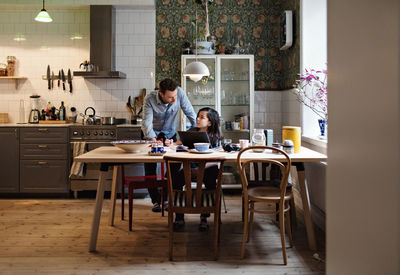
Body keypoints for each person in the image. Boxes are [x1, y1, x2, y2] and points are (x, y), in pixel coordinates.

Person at [141, 78, 197, 212]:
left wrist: (198, 130)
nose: (174, 100)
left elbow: (190, 113)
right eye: (170, 97)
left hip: (169, 134)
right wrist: (154, 141)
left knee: (173, 166)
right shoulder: (149, 99)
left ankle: (166, 198)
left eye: (175, 96)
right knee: (150, 168)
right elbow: (147, 123)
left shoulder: (180, 93)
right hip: (152, 135)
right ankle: (155, 201)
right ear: (161, 94)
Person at [172, 107, 223, 231]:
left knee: (211, 182)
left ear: (210, 122)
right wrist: (172, 143)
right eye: (198, 116)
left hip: (207, 167)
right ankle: (179, 216)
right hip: (190, 167)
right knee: (176, 181)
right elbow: (178, 142)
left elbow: (217, 159)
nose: (197, 119)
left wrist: (200, 169)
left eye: (202, 117)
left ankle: (204, 216)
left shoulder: (215, 136)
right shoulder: (192, 131)